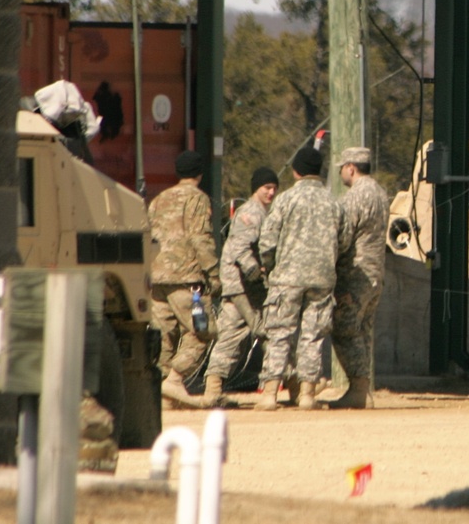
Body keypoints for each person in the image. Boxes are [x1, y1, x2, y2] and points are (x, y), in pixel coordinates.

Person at [256, 147, 348, 411]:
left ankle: (269, 394)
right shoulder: (333, 202)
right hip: (322, 278)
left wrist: (269, 267)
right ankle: (307, 394)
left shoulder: (285, 200)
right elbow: (342, 242)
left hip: (287, 277)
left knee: (279, 334)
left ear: (296, 171)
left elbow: (267, 241)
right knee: (313, 336)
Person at [200, 166, 278, 408]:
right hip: (246, 287)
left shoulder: (259, 212)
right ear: (257, 188)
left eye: (275, 188)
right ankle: (285, 384)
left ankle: (213, 389)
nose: (272, 192)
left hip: (238, 287)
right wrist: (257, 272)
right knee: (271, 331)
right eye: (267, 188)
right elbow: (240, 249)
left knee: (230, 336)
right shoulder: (251, 213)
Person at [147, 150, 220, 408]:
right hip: (188, 278)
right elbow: (200, 238)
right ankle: (175, 380)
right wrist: (213, 272)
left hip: (157, 277)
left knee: (164, 335)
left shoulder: (159, 199)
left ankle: (163, 394)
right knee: (203, 330)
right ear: (199, 173)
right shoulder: (198, 199)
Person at [330, 146, 389, 409]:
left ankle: (357, 387)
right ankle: (363, 390)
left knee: (344, 329)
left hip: (355, 273)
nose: (342, 173)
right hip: (376, 272)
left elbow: (343, 236)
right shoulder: (380, 192)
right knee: (363, 330)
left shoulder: (354, 197)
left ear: (351, 168)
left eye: (342, 168)